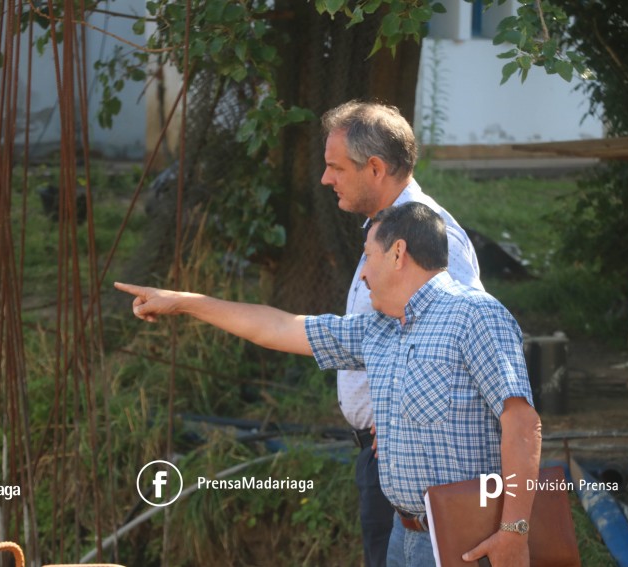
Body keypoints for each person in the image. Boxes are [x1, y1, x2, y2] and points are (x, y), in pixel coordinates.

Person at [115, 202, 541, 567]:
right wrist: (185, 302)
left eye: (366, 259)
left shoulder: (476, 316)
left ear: (398, 253)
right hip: (404, 534)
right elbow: (279, 327)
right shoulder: (380, 328)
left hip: (471, 540)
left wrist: (515, 531)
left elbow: (522, 424)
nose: (361, 277)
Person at [319, 101, 483, 566]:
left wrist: (399, 422)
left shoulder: (434, 236)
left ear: (374, 167)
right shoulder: (384, 229)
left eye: (335, 167)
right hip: (386, 458)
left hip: (419, 463)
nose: (326, 178)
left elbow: (462, 345)